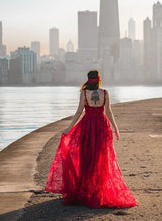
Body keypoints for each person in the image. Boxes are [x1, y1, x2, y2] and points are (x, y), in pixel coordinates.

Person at [45, 70, 137, 208]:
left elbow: (78, 112)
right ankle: (98, 190)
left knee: (86, 158)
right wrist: (115, 128)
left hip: (87, 126)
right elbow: (109, 112)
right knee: (101, 159)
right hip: (102, 126)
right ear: (99, 80)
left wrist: (69, 128)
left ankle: (86, 189)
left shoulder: (84, 94)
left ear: (88, 80)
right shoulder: (105, 93)